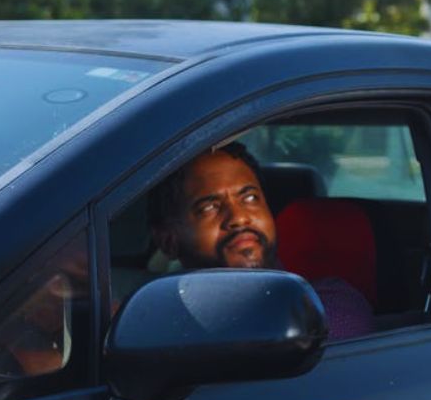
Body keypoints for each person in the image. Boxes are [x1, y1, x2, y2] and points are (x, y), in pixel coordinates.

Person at [147, 142, 374, 341]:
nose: (239, 217)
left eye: (250, 198)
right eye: (209, 207)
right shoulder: (154, 317)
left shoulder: (331, 303)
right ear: (168, 241)